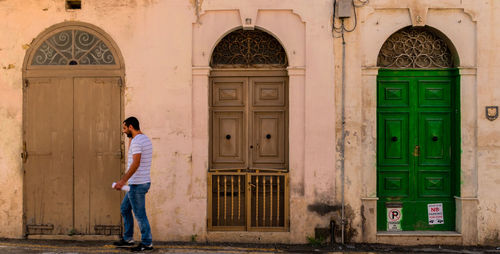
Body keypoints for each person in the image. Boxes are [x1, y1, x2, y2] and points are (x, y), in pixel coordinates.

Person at [113, 116, 154, 252]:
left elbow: (135, 163)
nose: (123, 131)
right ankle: (128, 238)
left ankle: (147, 243)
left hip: (137, 184)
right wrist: (130, 137)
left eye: (125, 128)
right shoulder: (143, 139)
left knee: (140, 215)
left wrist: (122, 181)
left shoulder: (137, 142)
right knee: (125, 208)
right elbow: (133, 157)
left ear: (131, 127)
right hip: (139, 183)